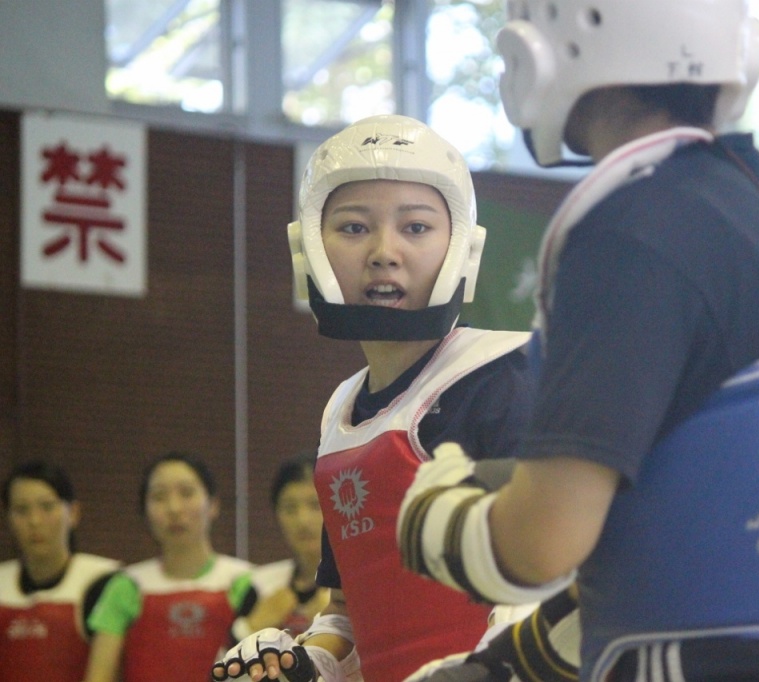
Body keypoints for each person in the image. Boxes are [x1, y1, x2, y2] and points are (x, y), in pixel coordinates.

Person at [395, 2, 759, 680]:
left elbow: (539, 546)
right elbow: (705, 494)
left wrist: (430, 514)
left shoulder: (633, 228)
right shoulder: (734, 199)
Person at [211, 114, 537, 682]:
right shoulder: (341, 413)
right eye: (355, 228)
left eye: (415, 228)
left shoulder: (505, 377)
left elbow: (547, 578)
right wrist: (301, 662)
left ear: (462, 248)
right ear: (307, 247)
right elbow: (346, 613)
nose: (385, 252)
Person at [84, 451, 253, 682]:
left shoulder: (246, 581)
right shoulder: (126, 585)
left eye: (186, 493)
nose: (174, 508)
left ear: (213, 504)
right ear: (145, 512)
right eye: (159, 496)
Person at [0, 460, 120, 682]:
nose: (34, 521)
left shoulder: (105, 583)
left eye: (46, 507)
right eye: (21, 510)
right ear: (8, 518)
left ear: (73, 513)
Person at [230, 453, 331, 644]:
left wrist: (335, 621)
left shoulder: (356, 585)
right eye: (290, 508)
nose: (303, 520)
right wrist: (252, 626)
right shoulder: (261, 584)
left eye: (315, 505)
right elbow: (223, 667)